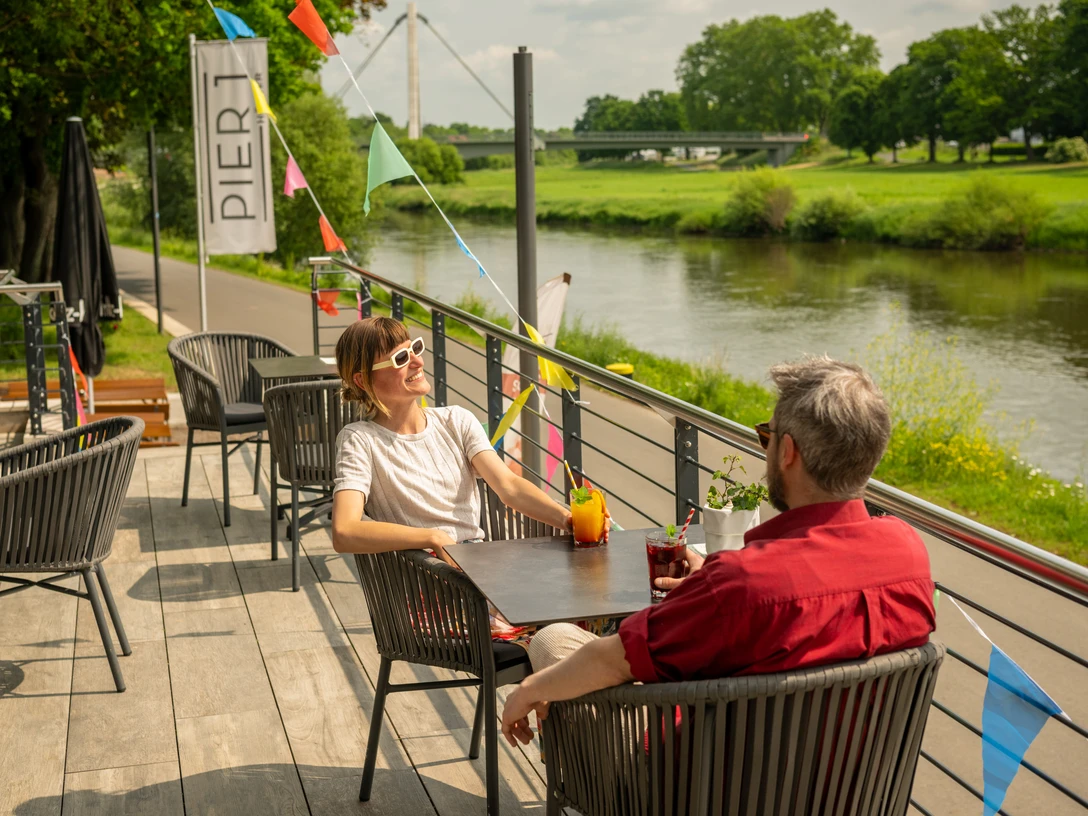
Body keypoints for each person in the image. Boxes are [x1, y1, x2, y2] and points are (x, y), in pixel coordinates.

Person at [501, 356, 936, 748]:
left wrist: (528, 690)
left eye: (766, 436)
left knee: (554, 641)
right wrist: (709, 586)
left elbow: (613, 661)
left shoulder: (743, 584)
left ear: (787, 452)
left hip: (704, 789)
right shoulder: (909, 553)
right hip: (852, 790)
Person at [329, 316, 600, 641]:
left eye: (415, 348)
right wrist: (432, 537)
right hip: (432, 588)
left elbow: (509, 487)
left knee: (590, 603)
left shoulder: (456, 421)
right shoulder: (359, 440)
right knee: (564, 630)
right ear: (363, 380)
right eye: (400, 358)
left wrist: (568, 519)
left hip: (483, 575)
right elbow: (344, 531)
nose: (417, 361)